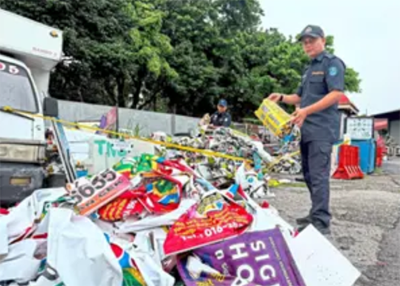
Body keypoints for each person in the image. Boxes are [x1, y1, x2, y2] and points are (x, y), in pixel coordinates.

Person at [267, 25, 346, 235]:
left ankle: (321, 221)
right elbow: (299, 97)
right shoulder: (308, 69)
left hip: (321, 130)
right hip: (307, 130)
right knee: (309, 175)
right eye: (304, 42)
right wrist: (281, 97)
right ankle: (315, 213)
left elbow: (336, 93)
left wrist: (306, 111)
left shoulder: (332, 64)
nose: (307, 45)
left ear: (323, 40)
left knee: (319, 176)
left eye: (311, 40)